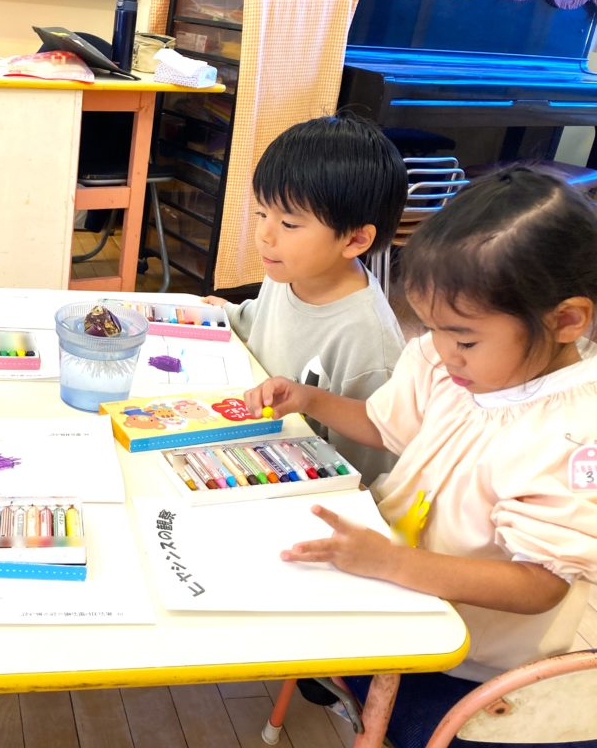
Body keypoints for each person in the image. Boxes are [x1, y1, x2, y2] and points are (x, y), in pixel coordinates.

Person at [247, 167, 597, 747]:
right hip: (397, 592)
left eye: (464, 338)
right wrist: (308, 399)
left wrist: (392, 563)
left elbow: (539, 585)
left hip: (483, 662)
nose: (441, 352)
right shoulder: (446, 362)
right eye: (431, 328)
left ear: (565, 320)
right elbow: (384, 424)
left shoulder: (574, 434)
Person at [204, 115, 408, 484]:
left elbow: (369, 467)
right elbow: (259, 325)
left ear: (355, 240)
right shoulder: (291, 271)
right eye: (262, 213)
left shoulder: (367, 339)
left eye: (289, 224)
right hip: (250, 437)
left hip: (301, 482)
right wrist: (222, 312)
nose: (265, 234)